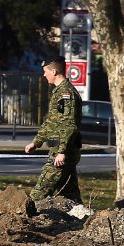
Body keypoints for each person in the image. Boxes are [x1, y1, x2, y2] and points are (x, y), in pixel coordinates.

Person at [24, 55, 83, 203]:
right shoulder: (59, 92)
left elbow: (69, 124)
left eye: (46, 71)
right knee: (70, 195)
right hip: (63, 150)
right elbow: (52, 122)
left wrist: (62, 151)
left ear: (54, 72)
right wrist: (36, 142)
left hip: (63, 152)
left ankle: (24, 219)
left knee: (40, 191)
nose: (44, 75)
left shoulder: (66, 93)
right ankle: (83, 220)